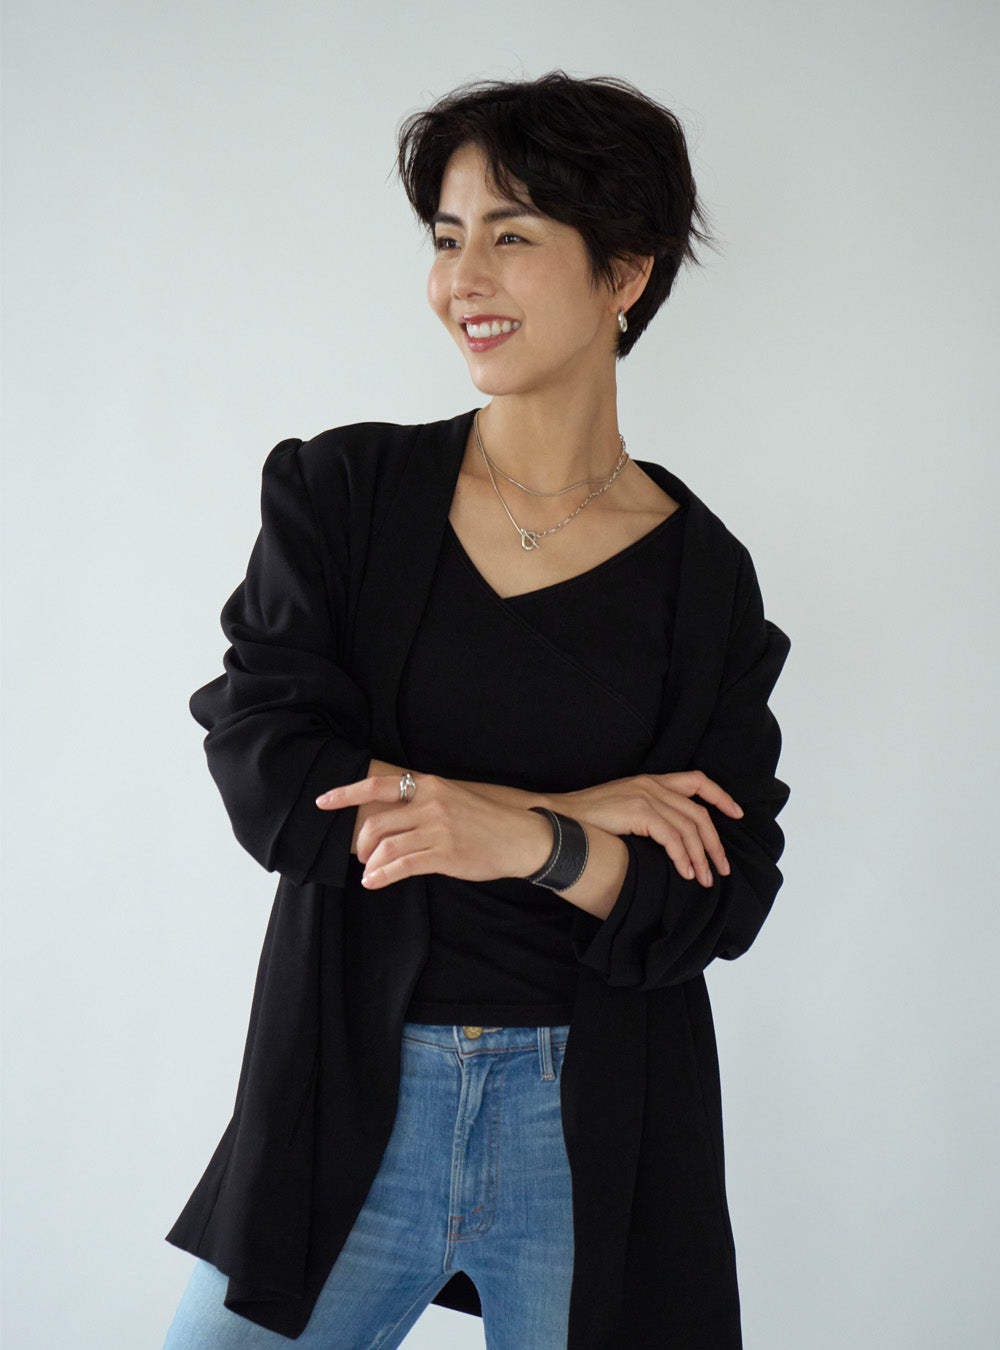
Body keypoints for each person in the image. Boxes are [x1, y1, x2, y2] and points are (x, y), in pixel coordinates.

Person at [162, 71, 790, 1350]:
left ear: (625, 273)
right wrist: (566, 820)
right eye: (447, 239)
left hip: (588, 1128)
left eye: (511, 235)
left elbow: (717, 895)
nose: (464, 280)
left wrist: (524, 840)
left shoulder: (703, 578)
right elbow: (275, 772)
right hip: (350, 1100)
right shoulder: (344, 493)